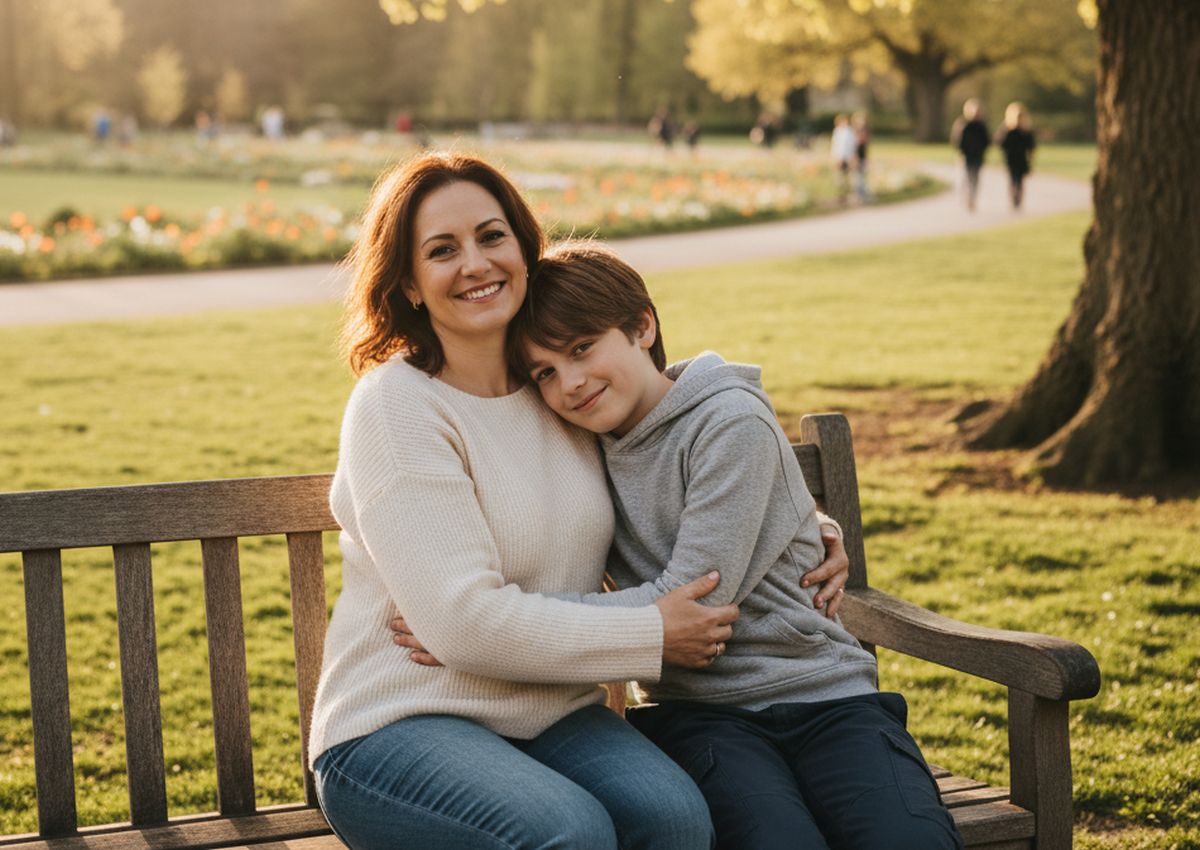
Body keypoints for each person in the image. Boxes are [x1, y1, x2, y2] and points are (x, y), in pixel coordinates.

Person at [310, 152, 851, 849]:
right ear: (409, 284)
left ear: (523, 250)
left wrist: (804, 523)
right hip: (400, 722)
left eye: (491, 236)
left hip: (550, 711)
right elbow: (462, 625)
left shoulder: (559, 390)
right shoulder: (397, 406)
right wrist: (652, 633)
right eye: (442, 250)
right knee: (571, 832)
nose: (475, 263)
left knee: (676, 820)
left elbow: (673, 459)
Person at [401, 241, 964, 850]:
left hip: (827, 698)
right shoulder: (580, 445)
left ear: (642, 327)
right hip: (701, 715)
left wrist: (497, 627)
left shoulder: (728, 420)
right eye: (545, 372)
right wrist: (474, 623)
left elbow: (694, 602)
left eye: (582, 348)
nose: (571, 382)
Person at [951, 99, 990, 211]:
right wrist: (961, 152)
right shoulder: (963, 125)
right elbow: (957, 141)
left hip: (978, 156)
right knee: (966, 178)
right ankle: (966, 198)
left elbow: (986, 141)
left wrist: (984, 151)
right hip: (966, 156)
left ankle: (972, 199)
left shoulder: (982, 126)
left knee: (975, 178)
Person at [997, 102, 1036, 210]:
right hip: (1011, 159)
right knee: (1012, 179)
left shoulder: (1026, 131)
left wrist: (1031, 159)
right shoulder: (1007, 130)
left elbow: (1031, 146)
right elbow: (1000, 143)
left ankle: (1018, 198)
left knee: (1020, 181)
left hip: (1021, 159)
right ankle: (1014, 197)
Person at [830, 114, 858, 204]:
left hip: (848, 157)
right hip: (839, 157)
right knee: (840, 177)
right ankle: (841, 195)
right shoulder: (837, 131)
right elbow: (835, 145)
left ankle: (850, 195)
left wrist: (852, 158)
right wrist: (835, 157)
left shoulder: (849, 132)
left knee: (850, 177)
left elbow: (852, 145)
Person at [852, 111, 872, 202]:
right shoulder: (854, 135)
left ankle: (863, 195)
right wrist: (854, 159)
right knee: (857, 178)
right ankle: (859, 195)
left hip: (863, 158)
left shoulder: (865, 132)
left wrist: (867, 158)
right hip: (857, 158)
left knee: (862, 177)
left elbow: (866, 147)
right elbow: (854, 149)